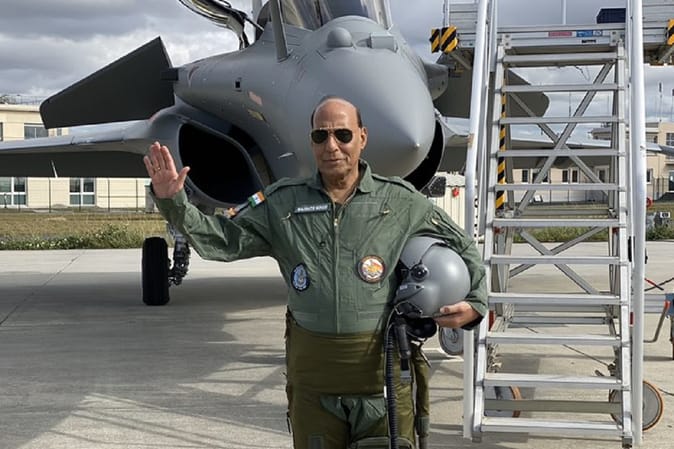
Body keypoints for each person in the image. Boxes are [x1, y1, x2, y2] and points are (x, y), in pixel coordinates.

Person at [144, 96, 487, 449]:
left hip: (381, 383)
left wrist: (476, 301)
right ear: (311, 142)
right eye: (321, 136)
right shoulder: (282, 202)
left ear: (362, 137)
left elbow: (461, 244)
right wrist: (174, 202)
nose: (331, 146)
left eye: (343, 134)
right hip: (314, 386)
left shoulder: (399, 201)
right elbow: (223, 240)